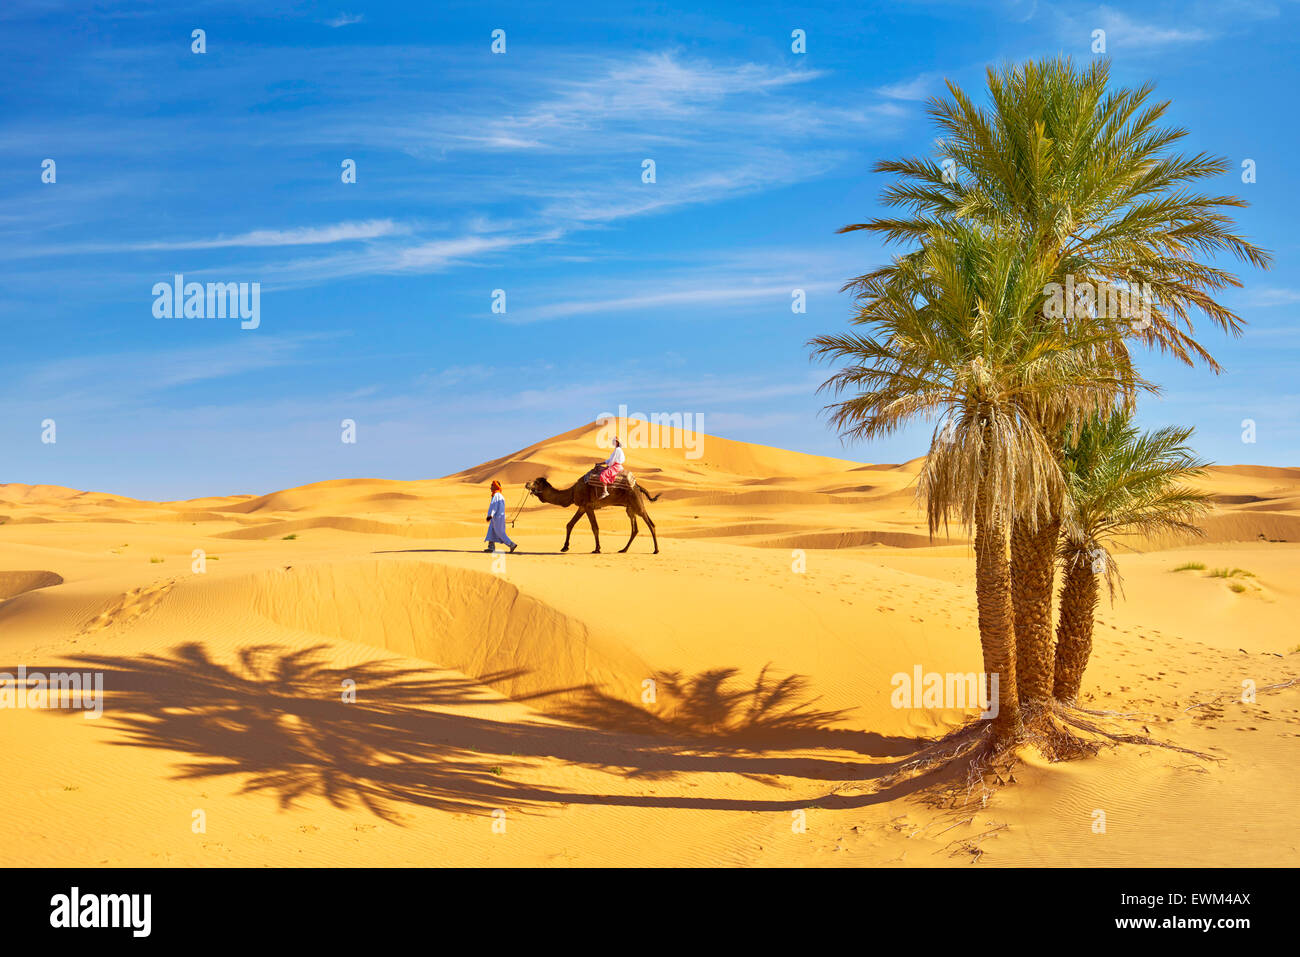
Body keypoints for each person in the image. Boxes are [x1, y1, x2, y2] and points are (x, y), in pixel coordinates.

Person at [484, 480, 517, 553]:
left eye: (492, 485)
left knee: (500, 533)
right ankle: (491, 547)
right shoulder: (499, 495)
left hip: (497, 517)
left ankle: (511, 544)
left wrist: (491, 515)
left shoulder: (496, 495)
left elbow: (494, 506)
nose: (490, 487)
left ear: (495, 486)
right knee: (491, 531)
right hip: (496, 517)